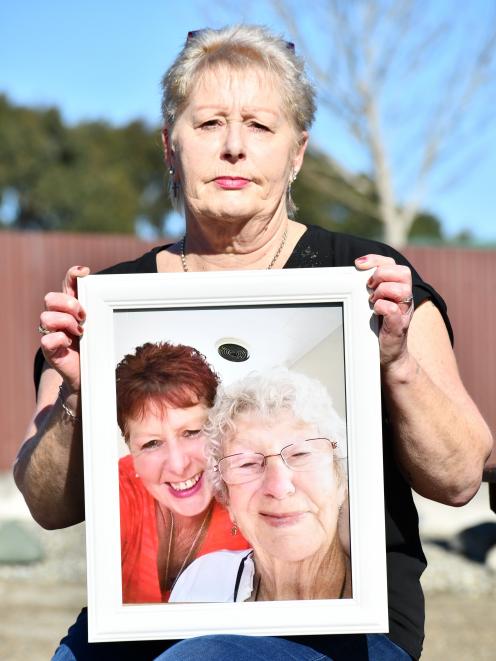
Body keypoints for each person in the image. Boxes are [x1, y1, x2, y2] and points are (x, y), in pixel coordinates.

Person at [14, 24, 492, 661]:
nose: (234, 147)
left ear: (297, 152)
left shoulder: (368, 280)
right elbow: (47, 507)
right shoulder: (110, 301)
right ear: (169, 146)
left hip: (346, 633)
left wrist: (396, 362)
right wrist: (77, 395)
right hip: (149, 632)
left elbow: (462, 477)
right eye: (209, 123)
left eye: (260, 127)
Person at [169, 369, 351, 603]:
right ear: (229, 502)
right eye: (246, 463)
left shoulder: (380, 595)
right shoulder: (199, 584)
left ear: (340, 482)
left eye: (301, 454)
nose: (278, 486)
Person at [114, 341, 249, 603]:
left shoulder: (250, 496)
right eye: (151, 443)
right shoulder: (116, 490)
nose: (178, 465)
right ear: (131, 450)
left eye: (192, 432)